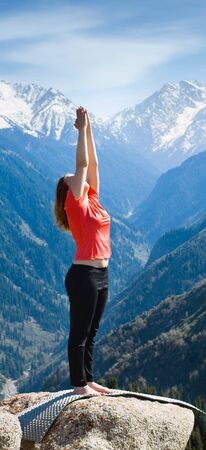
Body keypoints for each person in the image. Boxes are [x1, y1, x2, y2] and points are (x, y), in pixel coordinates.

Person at [53, 106, 113, 396]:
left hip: (102, 274)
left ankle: (88, 379)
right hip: (83, 275)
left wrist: (89, 129)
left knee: (91, 334)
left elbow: (94, 166)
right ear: (67, 191)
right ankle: (78, 386)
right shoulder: (74, 204)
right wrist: (78, 132)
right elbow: (83, 164)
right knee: (78, 333)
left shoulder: (93, 198)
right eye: (70, 178)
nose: (75, 177)